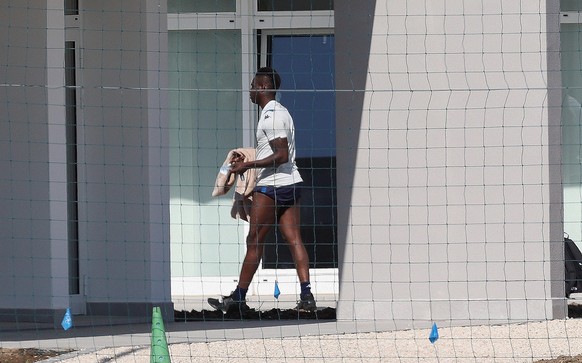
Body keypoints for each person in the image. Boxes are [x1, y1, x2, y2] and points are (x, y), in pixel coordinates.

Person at [208, 67, 316, 313]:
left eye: (253, 85)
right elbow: (277, 152)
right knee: (293, 238)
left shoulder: (271, 116)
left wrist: (247, 164)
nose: (250, 90)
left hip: (272, 186)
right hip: (291, 183)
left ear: (264, 87)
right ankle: (307, 296)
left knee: (254, 241)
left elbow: (279, 155)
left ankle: (238, 299)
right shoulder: (281, 112)